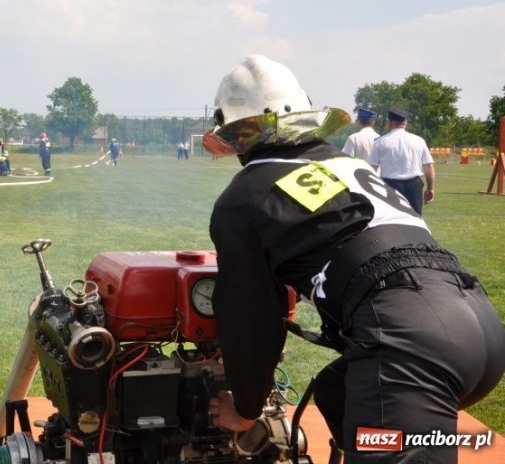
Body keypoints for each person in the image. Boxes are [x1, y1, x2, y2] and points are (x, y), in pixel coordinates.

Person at [202, 55, 504, 464]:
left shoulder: (245, 196)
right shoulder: (346, 164)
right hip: (477, 325)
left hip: (412, 346)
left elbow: (250, 315)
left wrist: (246, 407)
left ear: (235, 130)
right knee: (337, 391)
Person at [367, 108, 435, 216]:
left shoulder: (380, 142)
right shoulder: (418, 141)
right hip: (413, 185)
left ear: (390, 123)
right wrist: (430, 188)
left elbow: (372, 169)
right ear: (405, 122)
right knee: (415, 219)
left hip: (389, 185)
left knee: (391, 219)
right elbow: (428, 166)